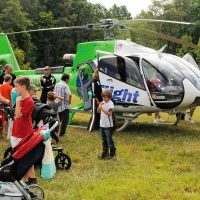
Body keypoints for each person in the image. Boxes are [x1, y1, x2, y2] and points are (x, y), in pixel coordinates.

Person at [11, 76, 36, 184]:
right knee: (23, 156)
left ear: (24, 86)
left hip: (23, 133)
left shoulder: (28, 101)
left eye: (16, 86)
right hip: (17, 131)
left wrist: (18, 101)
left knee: (23, 157)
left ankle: (25, 179)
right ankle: (31, 178)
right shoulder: (22, 99)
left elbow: (18, 115)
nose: (15, 89)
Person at [97, 89, 116, 159]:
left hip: (108, 125)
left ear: (109, 97)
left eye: (105, 97)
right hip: (102, 124)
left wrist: (102, 109)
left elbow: (110, 114)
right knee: (103, 140)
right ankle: (105, 152)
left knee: (109, 140)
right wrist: (99, 107)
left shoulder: (111, 103)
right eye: (103, 97)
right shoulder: (102, 102)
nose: (103, 98)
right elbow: (98, 111)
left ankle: (112, 154)